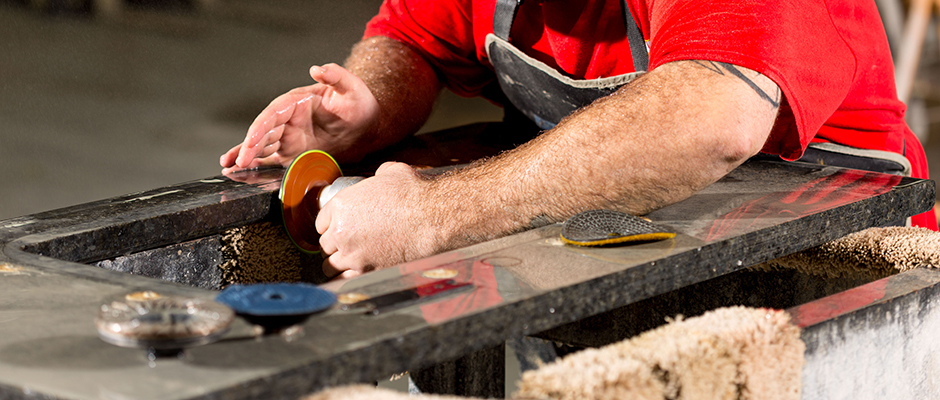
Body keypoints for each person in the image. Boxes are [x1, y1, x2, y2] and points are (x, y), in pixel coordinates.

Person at [220, 0, 937, 280]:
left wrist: (429, 214)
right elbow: (413, 37)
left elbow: (710, 120)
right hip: (622, 252)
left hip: (844, 272)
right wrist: (368, 103)